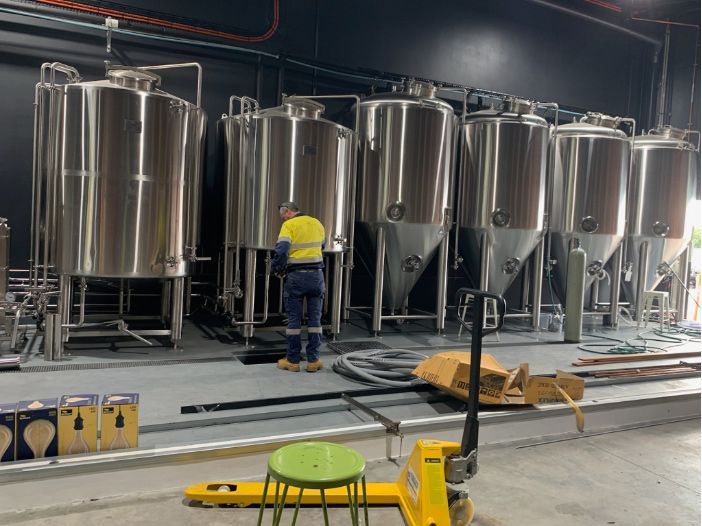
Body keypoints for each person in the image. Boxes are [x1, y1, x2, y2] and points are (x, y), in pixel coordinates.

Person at [271, 202, 326, 372]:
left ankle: (293, 360)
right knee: (315, 320)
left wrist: (276, 268)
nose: (282, 219)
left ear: (287, 212)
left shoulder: (289, 225)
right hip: (317, 276)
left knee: (294, 320)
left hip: (296, 277)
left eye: (282, 215)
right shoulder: (317, 223)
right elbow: (321, 246)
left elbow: (282, 250)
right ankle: (313, 360)